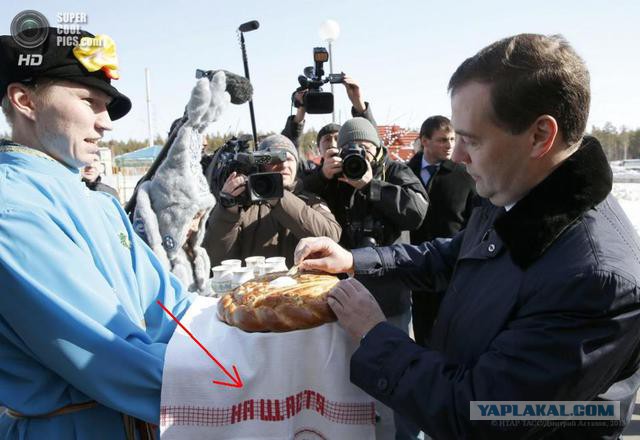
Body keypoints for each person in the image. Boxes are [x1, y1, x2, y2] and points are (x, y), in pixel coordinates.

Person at [294, 33, 640, 438]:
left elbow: (481, 415)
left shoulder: (597, 283)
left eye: (471, 140)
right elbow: (454, 255)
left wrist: (375, 334)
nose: (456, 157)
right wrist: (356, 260)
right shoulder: (516, 190)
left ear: (539, 137)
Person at [0, 28, 193, 439]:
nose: (105, 124)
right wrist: (243, 380)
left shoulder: (95, 203)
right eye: (90, 102)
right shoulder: (12, 208)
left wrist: (253, 329)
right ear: (24, 100)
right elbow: (104, 352)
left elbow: (174, 311)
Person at [302, 116, 429, 439]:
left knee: (393, 371)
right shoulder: (334, 175)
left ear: (378, 148)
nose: (358, 154)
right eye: (349, 149)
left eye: (365, 147)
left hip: (389, 290)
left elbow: (417, 212)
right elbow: (302, 201)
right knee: (349, 375)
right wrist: (320, 177)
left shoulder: (395, 171)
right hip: (342, 291)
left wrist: (370, 186)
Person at [202, 133, 341, 267]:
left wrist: (278, 196)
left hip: (302, 287)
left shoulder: (311, 201)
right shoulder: (245, 204)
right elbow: (216, 259)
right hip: (254, 289)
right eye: (275, 159)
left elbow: (331, 237)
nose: (284, 165)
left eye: (290, 159)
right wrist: (227, 211)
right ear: (261, 163)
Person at [406, 115, 476, 346]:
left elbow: (475, 218)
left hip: (453, 268)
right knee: (421, 332)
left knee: (452, 334)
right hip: (414, 267)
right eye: (442, 140)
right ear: (424, 141)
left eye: (452, 140)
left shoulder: (465, 174)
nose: (450, 146)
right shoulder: (405, 173)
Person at [282, 76, 377, 176]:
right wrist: (301, 110)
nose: (332, 144)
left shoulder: (363, 169)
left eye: (338, 138)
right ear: (319, 148)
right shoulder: (310, 171)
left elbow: (373, 142)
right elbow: (287, 150)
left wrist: (357, 102)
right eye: (327, 140)